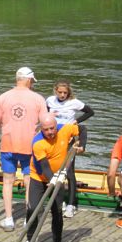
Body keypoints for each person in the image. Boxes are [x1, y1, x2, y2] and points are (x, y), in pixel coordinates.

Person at [0, 67, 47, 231]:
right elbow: (46, 124)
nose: (33, 84)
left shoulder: (2, 98)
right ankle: (28, 219)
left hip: (8, 145)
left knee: (8, 181)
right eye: (32, 81)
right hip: (30, 147)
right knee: (29, 182)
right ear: (28, 80)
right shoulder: (38, 99)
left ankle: (8, 219)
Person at [21, 114, 87, 242]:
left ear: (55, 125)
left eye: (52, 128)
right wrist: (54, 180)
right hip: (38, 178)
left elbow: (82, 128)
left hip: (58, 176)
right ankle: (29, 241)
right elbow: (44, 167)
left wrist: (82, 144)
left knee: (57, 212)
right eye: (46, 130)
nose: (50, 132)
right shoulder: (38, 143)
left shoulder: (64, 129)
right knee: (33, 208)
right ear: (41, 129)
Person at [46, 79, 95, 219]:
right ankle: (58, 201)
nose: (62, 95)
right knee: (55, 171)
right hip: (52, 139)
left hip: (68, 141)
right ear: (55, 91)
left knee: (69, 172)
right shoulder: (49, 101)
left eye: (65, 93)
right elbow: (44, 116)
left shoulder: (74, 102)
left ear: (69, 93)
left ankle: (71, 205)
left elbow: (90, 112)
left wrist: (76, 121)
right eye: (60, 92)